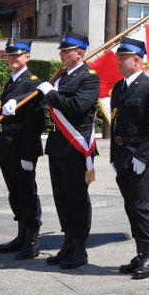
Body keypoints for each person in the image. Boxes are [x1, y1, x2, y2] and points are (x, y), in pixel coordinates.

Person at [36, 32, 100, 269]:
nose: (61, 54)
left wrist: (51, 93)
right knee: (61, 198)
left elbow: (77, 106)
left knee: (77, 199)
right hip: (57, 145)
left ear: (79, 53)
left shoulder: (89, 77)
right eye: (61, 51)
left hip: (76, 146)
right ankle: (68, 243)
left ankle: (79, 248)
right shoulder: (61, 76)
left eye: (66, 51)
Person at [109, 37, 149, 280]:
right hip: (123, 156)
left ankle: (148, 257)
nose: (119, 62)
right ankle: (139, 252)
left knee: (140, 206)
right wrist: (114, 156)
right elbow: (116, 124)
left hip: (144, 157)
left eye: (123, 58)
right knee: (130, 205)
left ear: (136, 60)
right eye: (119, 58)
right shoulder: (119, 88)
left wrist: (143, 156)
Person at [0, 38, 45, 260]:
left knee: (27, 193)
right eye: (10, 55)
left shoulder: (32, 83)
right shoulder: (11, 81)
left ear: (27, 57)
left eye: (17, 54)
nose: (12, 58)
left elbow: (36, 123)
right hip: (6, 144)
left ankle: (32, 240)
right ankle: (21, 235)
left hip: (22, 146)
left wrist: (27, 153)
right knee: (14, 193)